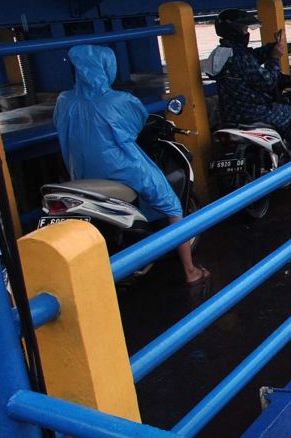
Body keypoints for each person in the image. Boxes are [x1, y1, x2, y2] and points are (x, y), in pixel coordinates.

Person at [55, 45, 208, 285]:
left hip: (80, 173)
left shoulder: (64, 101)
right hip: (121, 167)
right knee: (172, 204)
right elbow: (137, 125)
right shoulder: (119, 100)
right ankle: (190, 271)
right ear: (107, 68)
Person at [204, 8, 291, 155]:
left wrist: (270, 48)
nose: (247, 33)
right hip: (253, 112)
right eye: (244, 29)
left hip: (229, 114)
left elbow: (251, 57)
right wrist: (274, 59)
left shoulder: (221, 53)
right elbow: (269, 82)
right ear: (234, 31)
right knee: (290, 114)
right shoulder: (241, 57)